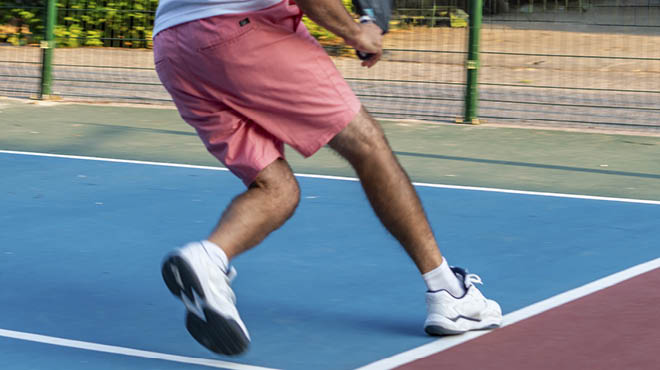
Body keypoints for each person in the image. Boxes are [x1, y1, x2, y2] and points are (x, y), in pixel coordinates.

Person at [153, 0, 502, 356]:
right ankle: (448, 292)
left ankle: (207, 259)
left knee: (276, 189)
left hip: (173, 48)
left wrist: (366, 21)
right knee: (367, 145)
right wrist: (355, 31)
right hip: (240, 29)